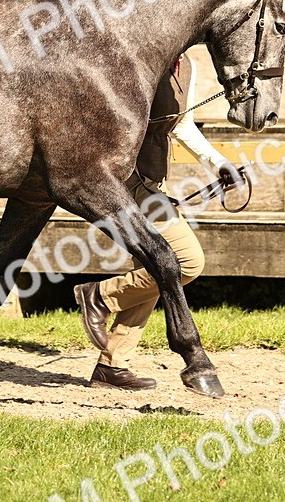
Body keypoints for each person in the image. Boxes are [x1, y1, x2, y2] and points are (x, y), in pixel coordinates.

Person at [74, 54, 238, 390]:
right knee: (185, 262)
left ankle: (112, 364)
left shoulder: (186, 65)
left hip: (153, 180)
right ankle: (99, 296)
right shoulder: (134, 54)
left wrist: (217, 163)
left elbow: (181, 124)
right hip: (127, 181)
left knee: (153, 269)